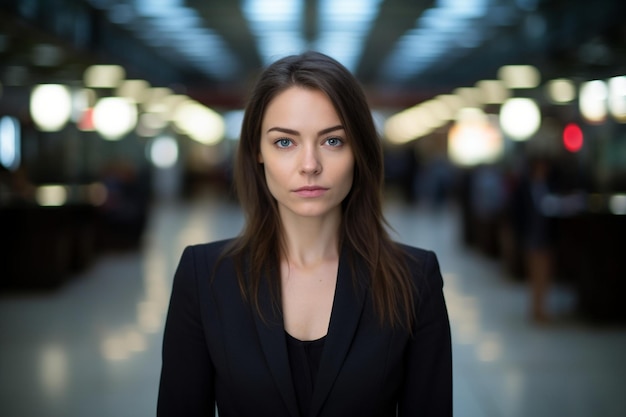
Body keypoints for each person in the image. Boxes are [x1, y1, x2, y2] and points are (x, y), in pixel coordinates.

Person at [157, 51, 452, 417]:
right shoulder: (204, 276)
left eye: (332, 141)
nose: (310, 165)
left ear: (359, 151)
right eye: (285, 142)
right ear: (257, 152)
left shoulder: (414, 279)